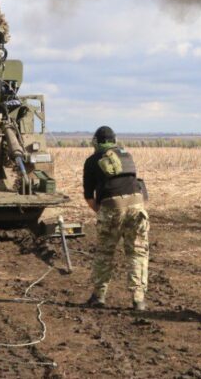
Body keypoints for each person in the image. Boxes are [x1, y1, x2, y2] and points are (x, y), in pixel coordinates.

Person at [82, 125, 150, 311]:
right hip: (137, 205)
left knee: (105, 253)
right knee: (137, 252)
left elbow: (89, 197)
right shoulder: (127, 156)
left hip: (111, 206)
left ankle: (99, 297)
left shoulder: (92, 161)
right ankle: (139, 300)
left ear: (96, 142)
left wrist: (103, 212)